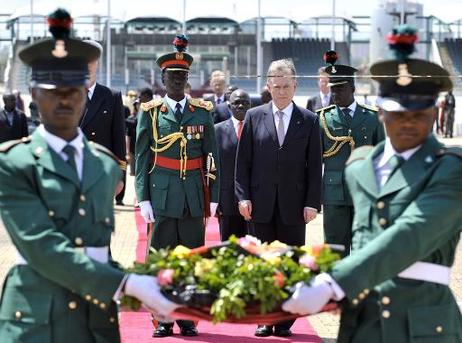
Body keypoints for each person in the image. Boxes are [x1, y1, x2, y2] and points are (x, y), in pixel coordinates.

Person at [0, 9, 180, 342]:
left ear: (86, 92)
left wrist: (154, 287)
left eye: (73, 89)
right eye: (52, 90)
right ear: (34, 97)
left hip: (96, 322)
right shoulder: (14, 164)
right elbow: (44, 248)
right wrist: (126, 285)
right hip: (38, 321)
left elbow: (98, 250)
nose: (64, 99)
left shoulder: (102, 164)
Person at [282, 25, 462, 343]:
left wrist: (333, 283)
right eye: (397, 113)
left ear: (434, 113)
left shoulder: (450, 168)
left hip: (423, 323)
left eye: (418, 114)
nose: (408, 122)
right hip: (362, 323)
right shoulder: (360, 168)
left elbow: (409, 235)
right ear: (381, 112)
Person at [135, 34, 219, 338]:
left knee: (192, 258)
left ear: (188, 79)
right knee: (161, 258)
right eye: (172, 76)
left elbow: (212, 156)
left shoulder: (202, 111)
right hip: (161, 196)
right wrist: (142, 197)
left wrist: (214, 196)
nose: (177, 81)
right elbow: (142, 158)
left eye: (182, 76)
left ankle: (187, 316)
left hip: (194, 196)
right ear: (162, 78)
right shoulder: (151, 113)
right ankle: (162, 318)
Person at [235, 58, 322, 337]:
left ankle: (284, 319)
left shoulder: (309, 120)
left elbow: (314, 166)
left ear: (295, 86)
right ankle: (264, 317)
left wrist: (312, 203)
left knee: (290, 263)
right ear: (268, 86)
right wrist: (242, 197)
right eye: (277, 86)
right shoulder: (254, 116)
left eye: (287, 85)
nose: (282, 91)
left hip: (294, 208)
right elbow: (242, 164)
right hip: (259, 205)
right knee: (262, 262)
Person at [318, 50, 385, 257]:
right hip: (333, 194)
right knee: (334, 249)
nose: (335, 94)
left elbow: (383, 158)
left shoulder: (372, 118)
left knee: (364, 247)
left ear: (353, 88)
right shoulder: (322, 119)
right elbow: (313, 160)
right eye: (332, 89)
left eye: (340, 89)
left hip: (364, 192)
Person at [78, 39, 127, 205]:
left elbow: (119, 140)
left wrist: (120, 178)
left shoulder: (111, 97)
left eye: (91, 59)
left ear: (97, 62)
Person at [214, 89, 251, 241]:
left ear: (250, 105)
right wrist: (215, 200)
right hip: (227, 201)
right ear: (229, 107)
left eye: (244, 103)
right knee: (228, 247)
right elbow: (214, 168)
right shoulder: (217, 130)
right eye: (236, 103)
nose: (240, 106)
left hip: (254, 201)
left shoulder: (259, 128)